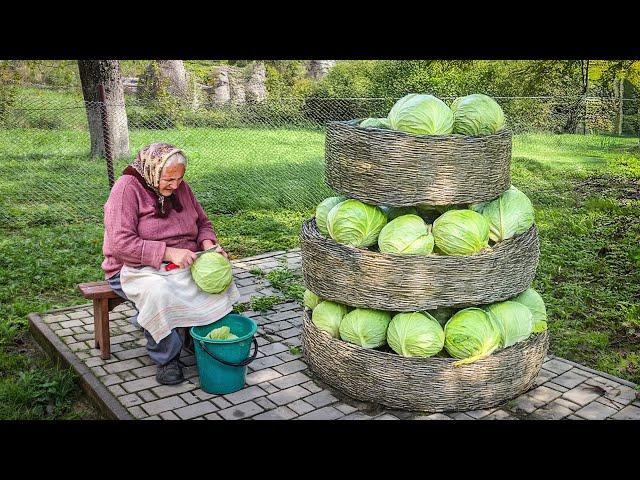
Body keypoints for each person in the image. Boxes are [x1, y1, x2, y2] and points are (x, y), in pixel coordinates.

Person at [102, 142, 239, 385]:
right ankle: (167, 359)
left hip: (181, 260)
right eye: (169, 179)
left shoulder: (182, 189)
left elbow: (203, 224)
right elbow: (120, 244)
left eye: (180, 179)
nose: (175, 186)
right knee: (160, 293)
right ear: (152, 170)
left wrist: (208, 245)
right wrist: (168, 253)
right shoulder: (126, 190)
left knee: (217, 284)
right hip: (134, 267)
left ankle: (197, 339)